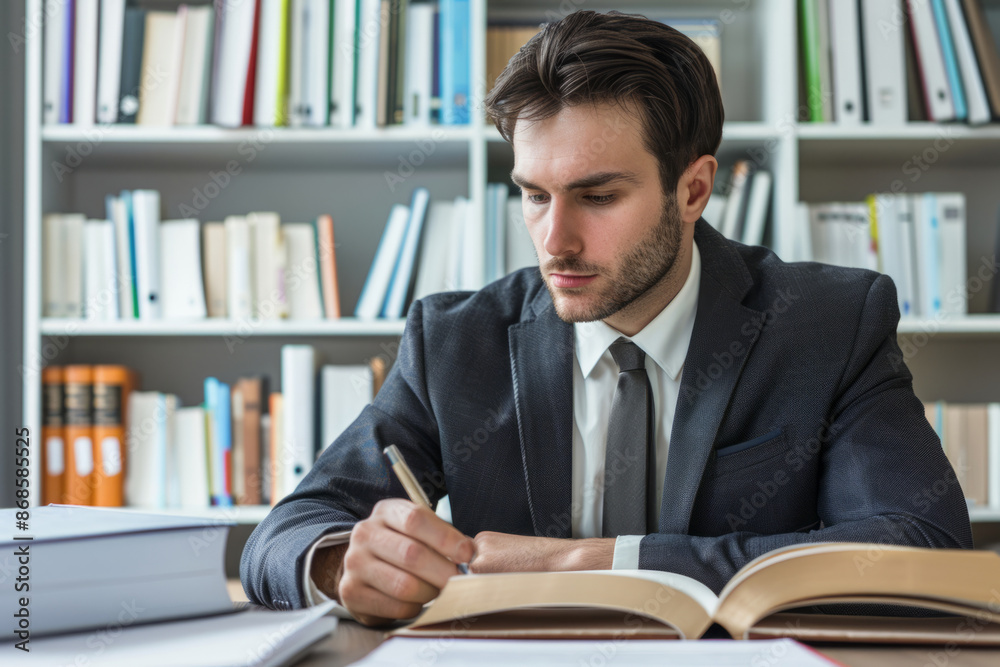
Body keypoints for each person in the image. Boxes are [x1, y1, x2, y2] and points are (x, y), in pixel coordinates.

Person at [240, 10, 972, 626]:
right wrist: (340, 562)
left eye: (597, 196)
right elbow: (280, 537)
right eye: (533, 194)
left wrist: (590, 561)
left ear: (693, 189)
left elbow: (919, 544)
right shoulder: (455, 341)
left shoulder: (828, 323)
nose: (554, 241)